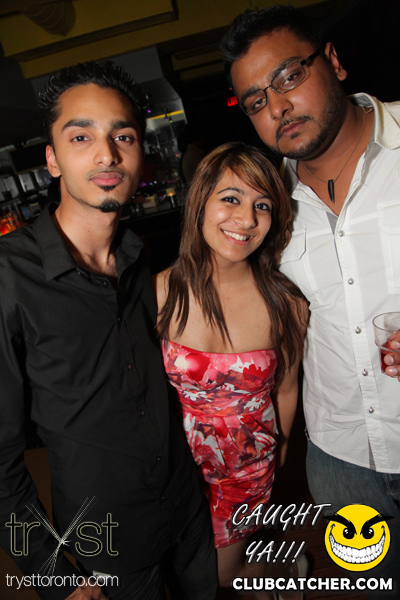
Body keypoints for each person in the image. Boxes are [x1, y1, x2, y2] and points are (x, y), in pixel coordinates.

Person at [0, 61, 217, 600]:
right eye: (81, 136)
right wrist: (52, 574)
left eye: (123, 136)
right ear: (52, 159)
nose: (107, 154)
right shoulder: (9, 277)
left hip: (190, 515)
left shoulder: (141, 257)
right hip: (107, 547)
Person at [221, 4, 400, 595]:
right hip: (341, 461)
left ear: (334, 62)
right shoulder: (264, 207)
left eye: (289, 76)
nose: (276, 107)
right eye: (255, 101)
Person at [154, 141, 308, 596]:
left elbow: (286, 390)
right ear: (200, 202)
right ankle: (273, 567)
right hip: (179, 467)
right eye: (231, 198)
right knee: (189, 566)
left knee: (220, 573)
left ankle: (277, 571)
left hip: (248, 464)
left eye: (262, 205)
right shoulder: (159, 292)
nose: (246, 219)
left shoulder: (286, 303)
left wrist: (278, 456)